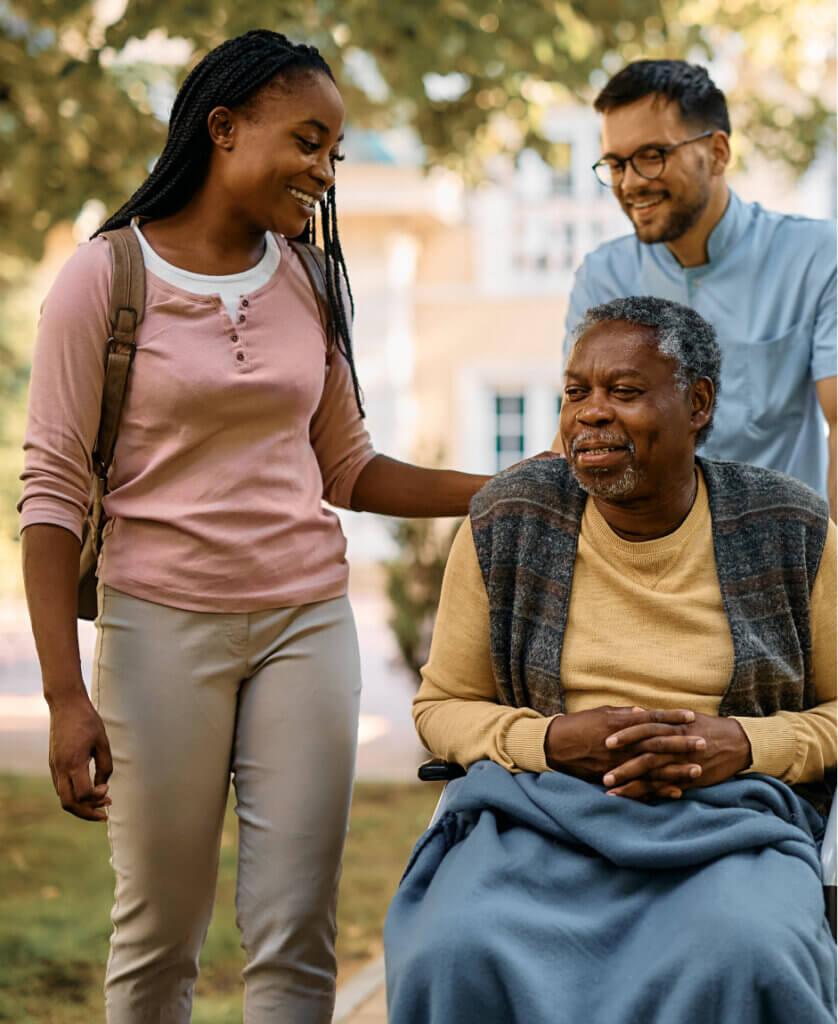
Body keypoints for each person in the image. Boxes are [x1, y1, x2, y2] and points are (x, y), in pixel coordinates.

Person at [18, 30, 490, 1024]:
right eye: (307, 141)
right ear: (223, 129)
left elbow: (349, 467)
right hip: (158, 631)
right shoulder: (103, 279)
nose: (324, 171)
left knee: (294, 930)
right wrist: (65, 693)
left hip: (305, 625)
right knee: (158, 934)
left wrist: (498, 488)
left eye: (335, 153)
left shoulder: (307, 282)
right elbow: (53, 495)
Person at [384, 296, 836, 1024]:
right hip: (539, 816)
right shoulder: (508, 519)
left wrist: (744, 744)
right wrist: (551, 741)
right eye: (576, 393)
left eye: (623, 392)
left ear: (697, 403)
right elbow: (441, 707)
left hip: (730, 825)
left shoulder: (790, 526)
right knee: (453, 947)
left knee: (747, 949)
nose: (590, 414)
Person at [558, 60, 836, 517]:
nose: (629, 182)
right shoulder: (601, 276)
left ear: (718, 153)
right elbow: (583, 431)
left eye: (651, 156)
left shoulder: (818, 256)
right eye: (614, 164)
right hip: (643, 562)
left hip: (780, 557)